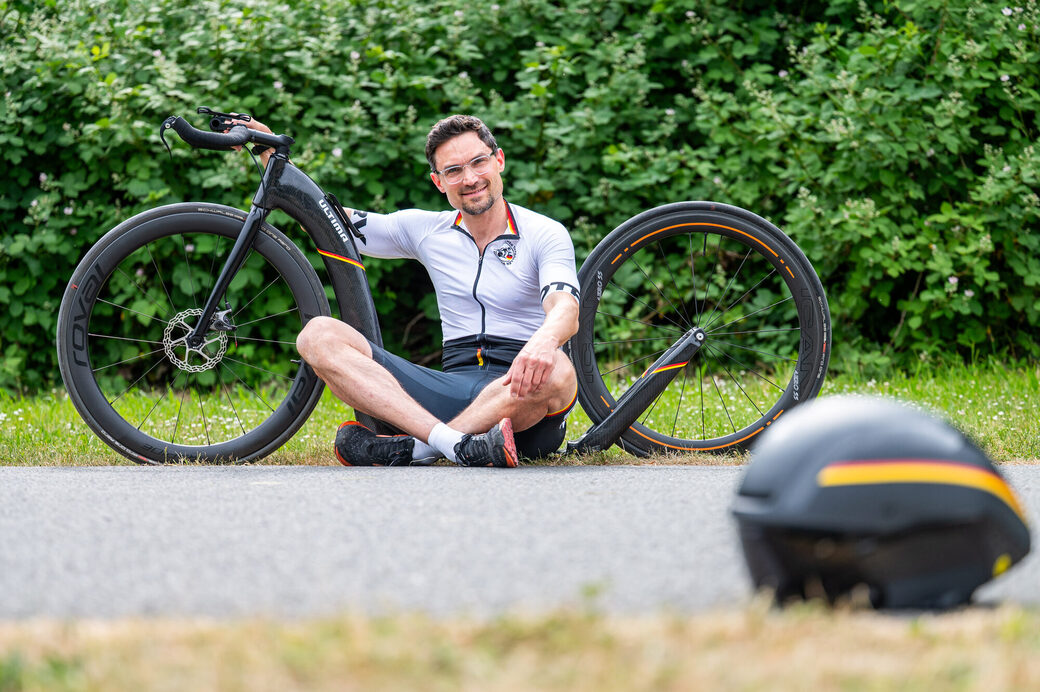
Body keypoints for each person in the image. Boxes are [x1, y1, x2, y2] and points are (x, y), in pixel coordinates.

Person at [238, 114, 580, 467]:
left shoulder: (544, 232)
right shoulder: (426, 229)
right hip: (450, 389)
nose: (471, 178)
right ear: (438, 182)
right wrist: (270, 153)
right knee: (317, 335)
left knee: (558, 369)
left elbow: (565, 308)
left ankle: (420, 449)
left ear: (499, 160)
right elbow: (326, 220)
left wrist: (542, 342)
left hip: (523, 396)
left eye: (479, 162)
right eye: (454, 170)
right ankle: (458, 444)